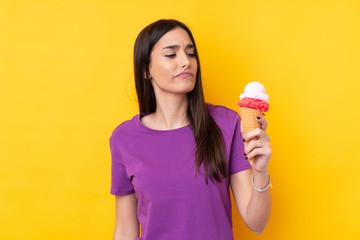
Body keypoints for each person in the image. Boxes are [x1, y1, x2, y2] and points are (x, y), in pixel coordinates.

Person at [109, 19, 272, 240]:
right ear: (146, 69)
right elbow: (125, 230)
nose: (186, 62)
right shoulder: (124, 139)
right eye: (171, 54)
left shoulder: (226, 123)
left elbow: (257, 223)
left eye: (191, 53)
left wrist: (261, 171)